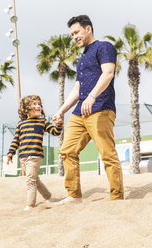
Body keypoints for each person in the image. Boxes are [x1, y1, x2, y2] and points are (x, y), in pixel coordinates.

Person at [53, 15, 124, 205]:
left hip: (101, 107)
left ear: (88, 29)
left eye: (76, 32)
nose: (74, 37)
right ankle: (74, 195)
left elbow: (108, 73)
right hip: (79, 112)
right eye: (71, 34)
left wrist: (92, 96)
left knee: (107, 153)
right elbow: (77, 89)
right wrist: (61, 111)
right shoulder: (82, 58)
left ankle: (117, 197)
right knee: (67, 150)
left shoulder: (104, 47)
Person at [7, 95, 63, 211]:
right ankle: (49, 197)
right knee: (35, 179)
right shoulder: (21, 124)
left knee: (30, 181)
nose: (38, 106)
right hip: (23, 157)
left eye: (39, 104)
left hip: (35, 156)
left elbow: (55, 132)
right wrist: (10, 153)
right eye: (34, 104)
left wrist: (59, 125)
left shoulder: (42, 122)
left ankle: (30, 205)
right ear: (26, 109)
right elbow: (16, 140)